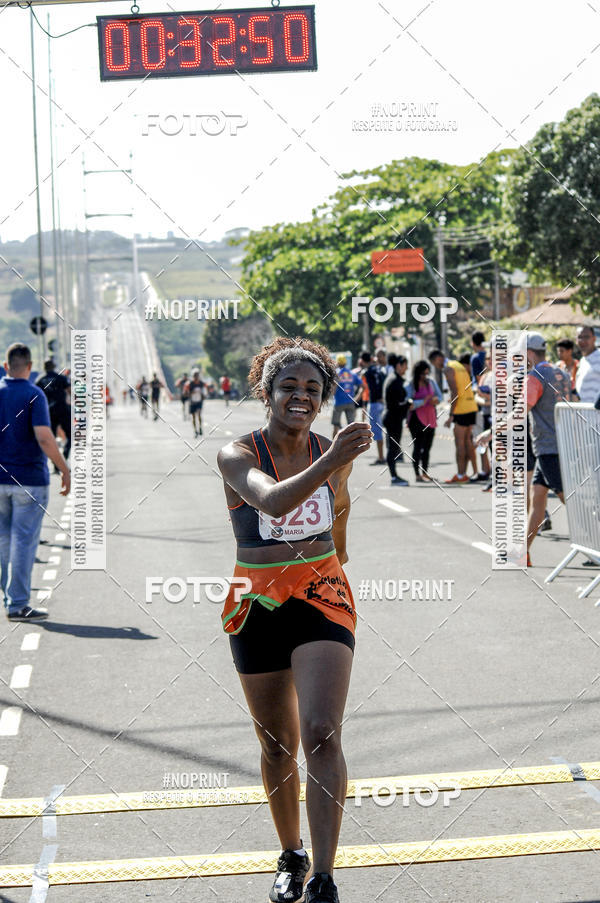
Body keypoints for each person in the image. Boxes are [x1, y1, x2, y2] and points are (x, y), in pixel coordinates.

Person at [217, 337, 372, 903]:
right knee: (278, 744)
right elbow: (273, 503)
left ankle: (325, 880)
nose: (301, 396)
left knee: (321, 734)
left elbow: (340, 507)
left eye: (313, 388)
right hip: (254, 600)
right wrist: (332, 461)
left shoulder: (333, 450)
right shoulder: (238, 453)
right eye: (289, 386)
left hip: (320, 593)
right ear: (266, 392)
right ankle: (291, 855)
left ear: (324, 396)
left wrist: (336, 551)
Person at [0, 344, 70, 621]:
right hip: (29, 480)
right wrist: (63, 468)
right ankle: (17, 604)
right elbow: (44, 437)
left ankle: (9, 599)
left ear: (6, 366)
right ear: (29, 368)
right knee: (24, 541)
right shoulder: (32, 393)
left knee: (4, 540)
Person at [524, 333, 572, 565]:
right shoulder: (561, 373)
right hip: (562, 442)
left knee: (571, 503)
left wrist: (492, 432)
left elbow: (521, 410)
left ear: (529, 353)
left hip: (548, 448)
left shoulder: (534, 377)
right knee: (538, 498)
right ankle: (524, 552)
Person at [444, 353, 479, 483]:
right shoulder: (460, 367)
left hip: (461, 408)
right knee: (468, 441)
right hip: (471, 406)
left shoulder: (449, 367)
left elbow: (455, 392)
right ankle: (474, 472)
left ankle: (460, 475)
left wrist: (451, 415)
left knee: (460, 443)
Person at [406, 360, 441, 482]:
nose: (425, 376)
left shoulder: (430, 382)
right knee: (418, 446)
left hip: (430, 417)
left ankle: (425, 472)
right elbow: (408, 403)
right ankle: (417, 474)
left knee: (427, 447)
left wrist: (435, 400)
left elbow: (439, 396)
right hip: (416, 418)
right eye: (422, 374)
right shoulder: (411, 384)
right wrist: (423, 401)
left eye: (427, 373)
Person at [36, 359, 71, 460]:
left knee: (51, 439)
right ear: (54, 366)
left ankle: (56, 462)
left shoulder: (40, 380)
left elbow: (36, 397)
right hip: (62, 410)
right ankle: (64, 456)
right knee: (70, 435)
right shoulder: (61, 378)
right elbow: (70, 391)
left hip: (48, 412)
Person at [382, 355, 410, 485]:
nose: (407, 368)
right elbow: (395, 403)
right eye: (405, 365)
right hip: (392, 417)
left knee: (394, 447)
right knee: (393, 448)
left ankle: (394, 476)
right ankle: (394, 477)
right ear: (399, 365)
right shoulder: (394, 380)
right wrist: (408, 404)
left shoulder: (395, 378)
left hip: (393, 417)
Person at [361, 351, 386, 464]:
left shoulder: (366, 372)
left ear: (362, 360)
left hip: (374, 402)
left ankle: (381, 457)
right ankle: (387, 454)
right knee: (384, 428)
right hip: (383, 401)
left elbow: (368, 388)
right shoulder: (379, 370)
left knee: (377, 430)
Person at [331, 354, 361, 438]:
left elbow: (333, 389)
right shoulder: (351, 373)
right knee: (351, 426)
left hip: (338, 402)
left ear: (337, 362)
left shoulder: (336, 374)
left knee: (336, 426)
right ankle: (353, 446)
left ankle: (333, 447)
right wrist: (356, 399)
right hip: (350, 402)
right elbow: (363, 386)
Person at [575, 326, 600, 403]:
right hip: (584, 412)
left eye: (586, 337)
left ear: (594, 339)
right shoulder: (583, 361)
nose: (582, 340)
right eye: (579, 337)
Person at [187, 369, 205, 438]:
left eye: (197, 376)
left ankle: (200, 427)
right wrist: (192, 392)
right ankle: (195, 431)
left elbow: (204, 392)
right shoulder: (190, 384)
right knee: (194, 417)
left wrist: (203, 396)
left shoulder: (201, 383)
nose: (196, 377)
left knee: (199, 414)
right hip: (192, 402)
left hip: (199, 401)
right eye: (195, 376)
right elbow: (188, 393)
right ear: (193, 376)